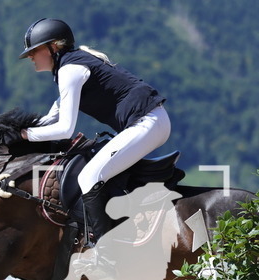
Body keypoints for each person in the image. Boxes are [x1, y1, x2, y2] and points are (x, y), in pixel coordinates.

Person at [18, 18, 170, 247]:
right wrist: (13, 130)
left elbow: (65, 129)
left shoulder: (70, 70)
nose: (30, 56)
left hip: (147, 123)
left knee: (88, 177)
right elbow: (50, 118)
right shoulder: (70, 66)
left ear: (53, 47)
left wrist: (25, 136)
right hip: (150, 122)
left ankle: (106, 250)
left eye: (34, 51)